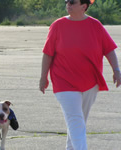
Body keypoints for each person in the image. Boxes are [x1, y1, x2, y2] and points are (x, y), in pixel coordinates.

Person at [39, 0, 121, 149]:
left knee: (78, 122)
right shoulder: (58, 25)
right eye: (66, 2)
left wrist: (116, 70)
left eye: (72, 2)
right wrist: (43, 76)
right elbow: (48, 53)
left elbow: (108, 48)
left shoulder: (95, 25)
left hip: (90, 82)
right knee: (76, 120)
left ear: (84, 6)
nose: (68, 4)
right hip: (63, 81)